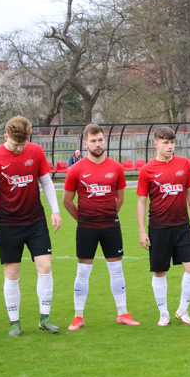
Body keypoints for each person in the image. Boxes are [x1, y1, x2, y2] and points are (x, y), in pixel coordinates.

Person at [0, 115, 62, 336]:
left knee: (45, 267)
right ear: (5, 136)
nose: (19, 149)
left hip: (36, 221)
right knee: (12, 274)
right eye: (16, 145)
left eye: (23, 144)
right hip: (8, 224)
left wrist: (55, 210)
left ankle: (45, 318)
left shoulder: (35, 152)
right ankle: (14, 323)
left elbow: (46, 182)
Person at [63, 124, 137, 330]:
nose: (97, 144)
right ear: (85, 144)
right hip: (86, 227)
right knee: (83, 271)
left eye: (100, 140)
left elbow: (120, 197)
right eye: (93, 141)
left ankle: (122, 313)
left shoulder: (115, 167)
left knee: (116, 270)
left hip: (110, 226)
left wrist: (109, 215)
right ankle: (78, 316)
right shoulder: (76, 169)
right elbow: (67, 201)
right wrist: (82, 219)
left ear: (105, 141)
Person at [137, 127, 190, 326]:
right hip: (158, 227)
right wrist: (141, 231)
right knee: (160, 272)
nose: (170, 146)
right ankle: (163, 313)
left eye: (172, 142)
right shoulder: (147, 170)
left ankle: (182, 310)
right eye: (165, 142)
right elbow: (141, 201)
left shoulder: (183, 164)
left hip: (182, 226)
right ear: (155, 144)